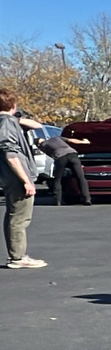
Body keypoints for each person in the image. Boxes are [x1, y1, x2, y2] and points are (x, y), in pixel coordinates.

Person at [0, 88, 46, 269]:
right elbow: (11, 154)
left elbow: (37, 125)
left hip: (10, 177)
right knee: (19, 218)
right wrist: (26, 180)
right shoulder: (7, 124)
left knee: (14, 216)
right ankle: (18, 257)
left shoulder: (9, 122)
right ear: (13, 105)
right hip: (17, 177)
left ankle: (16, 255)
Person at [21, 119, 91, 206]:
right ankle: (86, 198)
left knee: (58, 179)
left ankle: (58, 200)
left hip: (60, 157)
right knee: (80, 177)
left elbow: (51, 156)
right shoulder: (56, 138)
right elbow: (71, 140)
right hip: (72, 154)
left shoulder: (42, 146)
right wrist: (84, 142)